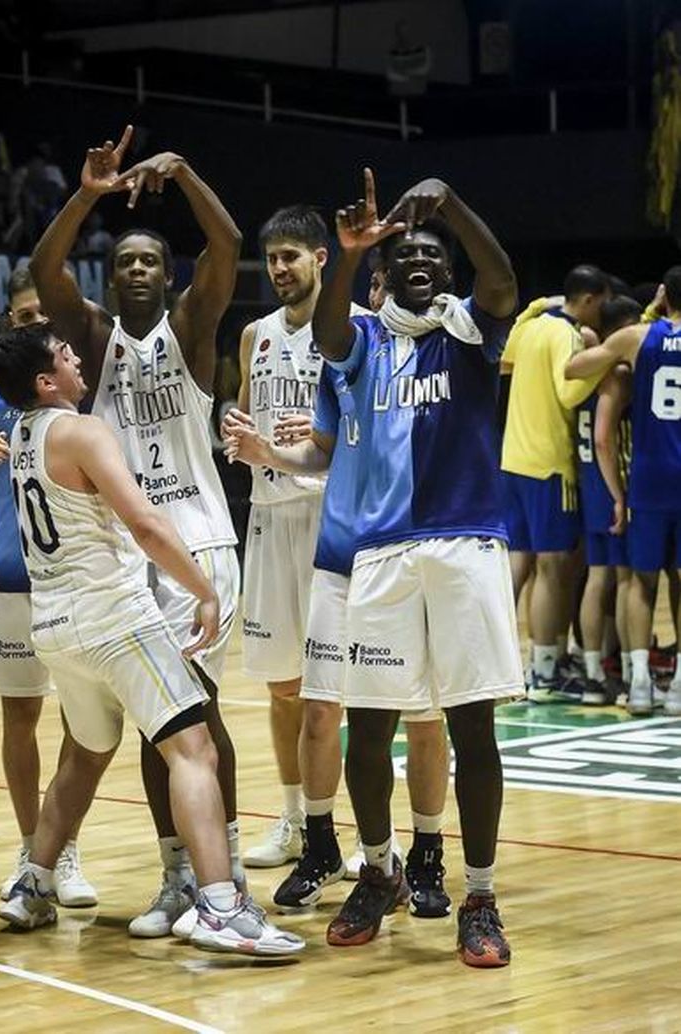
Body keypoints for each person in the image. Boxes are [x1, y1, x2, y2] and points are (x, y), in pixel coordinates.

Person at [0, 324, 303, 957]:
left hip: (54, 624)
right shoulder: (80, 430)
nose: (78, 359)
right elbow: (146, 524)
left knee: (85, 752)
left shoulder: (21, 437)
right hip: (112, 616)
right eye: (67, 354)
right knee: (194, 749)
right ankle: (219, 906)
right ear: (46, 381)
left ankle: (31, 881)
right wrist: (202, 590)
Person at [29, 125, 246, 938]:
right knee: (167, 726)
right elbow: (44, 270)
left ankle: (221, 879)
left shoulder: (193, 331)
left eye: (150, 259)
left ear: (167, 273)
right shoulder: (90, 337)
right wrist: (87, 195)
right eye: (124, 261)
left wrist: (183, 171)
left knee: (199, 717)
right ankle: (177, 877)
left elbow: (226, 242)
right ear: (111, 278)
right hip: (133, 554)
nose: (138, 270)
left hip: (199, 544)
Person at [313, 168, 520, 967]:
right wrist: (349, 249)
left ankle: (480, 895)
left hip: (465, 545)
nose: (423, 262)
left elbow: (501, 277)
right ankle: (379, 870)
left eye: (436, 254)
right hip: (382, 553)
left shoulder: (470, 327)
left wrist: (452, 205)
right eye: (408, 256)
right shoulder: (363, 338)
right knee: (369, 728)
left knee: (472, 725)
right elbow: (329, 337)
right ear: (387, 273)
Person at [223, 390, 451, 920]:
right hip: (338, 555)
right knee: (320, 707)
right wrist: (269, 455)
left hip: (407, 553)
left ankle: (425, 855)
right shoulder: (344, 366)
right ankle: (320, 843)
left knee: (422, 718)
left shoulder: (431, 364)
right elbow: (324, 452)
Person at [0, 264, 96, 906]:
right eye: (21, 316)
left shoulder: (75, 384)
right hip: (14, 573)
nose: (34, 322)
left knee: (81, 717)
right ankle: (28, 844)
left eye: (42, 315)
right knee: (21, 715)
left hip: (72, 575)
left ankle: (65, 851)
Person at [231, 206, 330, 869]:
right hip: (268, 514)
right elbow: (239, 412)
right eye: (272, 258)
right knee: (281, 684)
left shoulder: (350, 333)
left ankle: (331, 828)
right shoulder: (254, 334)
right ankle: (293, 821)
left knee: (330, 688)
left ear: (321, 258)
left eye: (291, 255)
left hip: (327, 516)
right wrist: (236, 438)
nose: (279, 269)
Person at [566, 269, 681, 718]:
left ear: (663, 296)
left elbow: (574, 368)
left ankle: (638, 685)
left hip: (650, 477)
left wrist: (645, 323)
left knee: (637, 579)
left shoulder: (637, 338)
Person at [501, 265, 612, 702]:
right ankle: (545, 672)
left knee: (518, 565)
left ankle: (506, 662)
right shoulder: (568, 333)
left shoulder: (530, 328)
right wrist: (604, 362)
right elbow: (569, 394)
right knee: (552, 570)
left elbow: (505, 356)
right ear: (588, 300)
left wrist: (532, 307)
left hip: (512, 460)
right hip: (549, 465)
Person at [572, 296, 643, 706]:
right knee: (615, 578)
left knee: (601, 576)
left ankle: (596, 667)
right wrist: (619, 494)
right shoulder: (616, 371)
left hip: (586, 478)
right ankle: (605, 673)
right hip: (609, 479)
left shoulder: (585, 367)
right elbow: (603, 438)